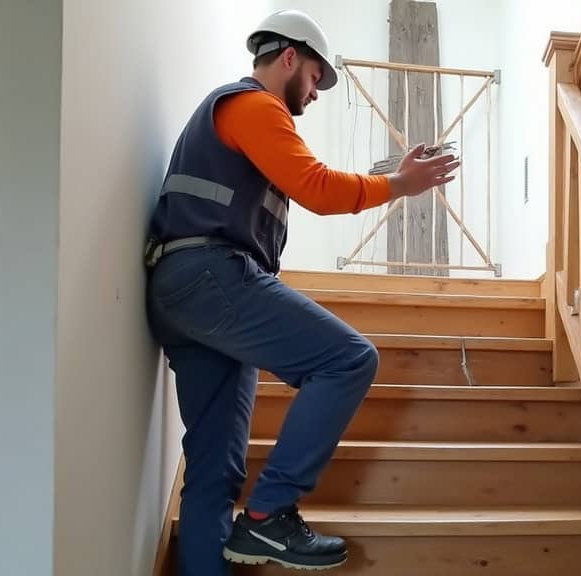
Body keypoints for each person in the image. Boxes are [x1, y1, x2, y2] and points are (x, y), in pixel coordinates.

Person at [143, 8, 459, 575]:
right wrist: (400, 185)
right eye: (314, 77)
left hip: (186, 294)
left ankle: (242, 532)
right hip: (211, 277)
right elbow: (316, 187)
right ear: (288, 57)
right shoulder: (251, 105)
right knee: (349, 359)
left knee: (214, 472)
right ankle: (267, 517)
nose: (314, 94)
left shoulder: (238, 122)